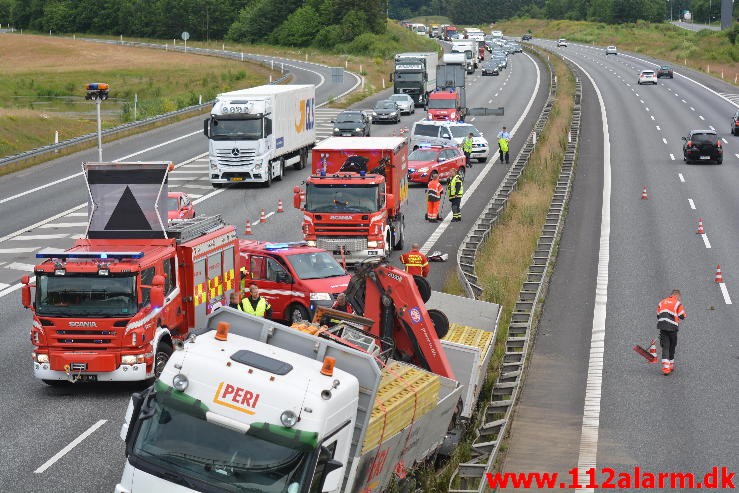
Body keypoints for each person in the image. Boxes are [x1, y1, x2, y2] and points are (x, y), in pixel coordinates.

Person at [656, 289, 687, 375]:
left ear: (671, 294)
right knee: (672, 346)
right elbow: (682, 316)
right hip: (672, 328)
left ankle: (666, 368)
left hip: (663, 327)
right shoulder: (677, 303)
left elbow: (658, 315)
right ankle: (671, 365)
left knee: (665, 347)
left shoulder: (661, 302)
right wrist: (684, 314)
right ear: (678, 296)